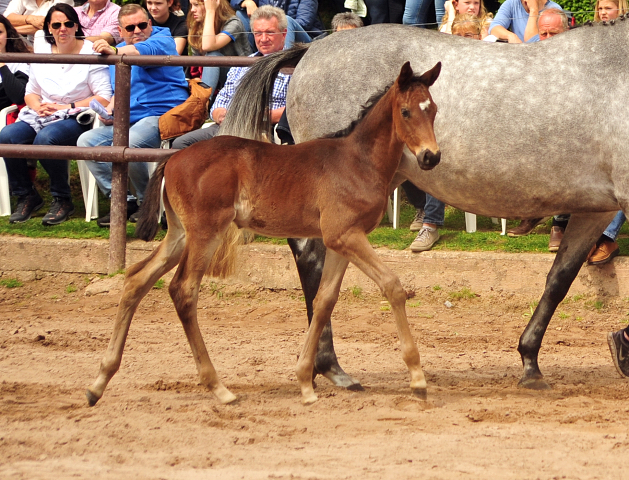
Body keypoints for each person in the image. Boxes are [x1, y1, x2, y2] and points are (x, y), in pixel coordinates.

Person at [0, 3, 112, 225]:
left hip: (79, 115)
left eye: (68, 24)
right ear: (49, 28)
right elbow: (30, 92)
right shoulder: (42, 54)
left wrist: (67, 107)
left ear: (76, 26)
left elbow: (103, 97)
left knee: (46, 138)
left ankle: (62, 198)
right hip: (43, 112)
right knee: (7, 137)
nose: (63, 29)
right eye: (57, 25)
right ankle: (26, 195)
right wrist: (38, 105)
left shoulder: (91, 53)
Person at [79, 3, 189, 227]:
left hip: (162, 115)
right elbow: (117, 93)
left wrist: (115, 52)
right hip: (129, 118)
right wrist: (110, 111)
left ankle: (147, 202)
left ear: (149, 24)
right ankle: (121, 200)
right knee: (86, 141)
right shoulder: (118, 51)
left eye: (141, 25)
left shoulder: (163, 38)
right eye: (130, 28)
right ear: (121, 31)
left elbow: (140, 52)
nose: (137, 31)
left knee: (131, 143)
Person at [172, 5, 289, 149]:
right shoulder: (241, 64)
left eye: (270, 33)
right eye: (258, 33)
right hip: (230, 125)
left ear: (284, 34)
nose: (263, 39)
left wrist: (260, 116)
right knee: (181, 143)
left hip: (265, 128)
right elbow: (221, 100)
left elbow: (296, 107)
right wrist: (220, 114)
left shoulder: (293, 66)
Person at [187, 0, 251, 93]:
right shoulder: (197, 25)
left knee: (213, 56)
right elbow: (196, 63)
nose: (192, 10)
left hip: (241, 77)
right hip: (213, 79)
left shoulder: (233, 23)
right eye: (191, 5)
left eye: (196, 5)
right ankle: (203, 100)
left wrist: (210, 11)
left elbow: (208, 45)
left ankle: (203, 102)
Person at [231, 0, 321, 48]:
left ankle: (283, 62)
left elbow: (304, 23)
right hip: (269, 36)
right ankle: (250, 58)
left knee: (287, 20)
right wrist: (247, 2)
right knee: (241, 14)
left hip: (303, 39)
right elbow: (233, 2)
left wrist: (275, 28)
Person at [488, 0, 562, 43]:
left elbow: (532, 42)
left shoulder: (554, 8)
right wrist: (510, 36)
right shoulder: (511, 3)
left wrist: (534, 10)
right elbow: (494, 27)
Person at [0, 14, 30, 110]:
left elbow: (18, 97)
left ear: (8, 34)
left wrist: (2, 64)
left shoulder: (19, 62)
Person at [5, 0, 72, 38]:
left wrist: (11, 30)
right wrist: (29, 19)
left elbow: (46, 25)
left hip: (53, 42)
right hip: (29, 43)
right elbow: (6, 18)